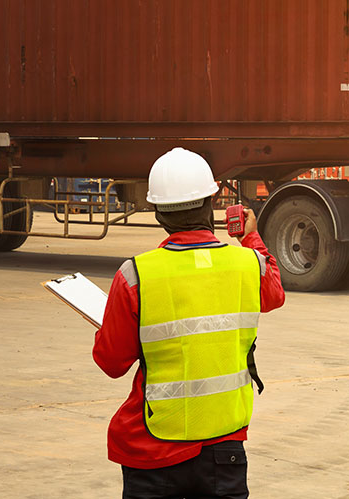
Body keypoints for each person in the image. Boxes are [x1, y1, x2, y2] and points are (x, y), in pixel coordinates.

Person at [93, 147, 284, 498]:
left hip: (152, 447)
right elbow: (274, 293)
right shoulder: (248, 264)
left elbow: (111, 362)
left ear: (157, 212)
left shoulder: (135, 275)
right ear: (211, 200)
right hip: (224, 445)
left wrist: (107, 331)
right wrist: (249, 236)